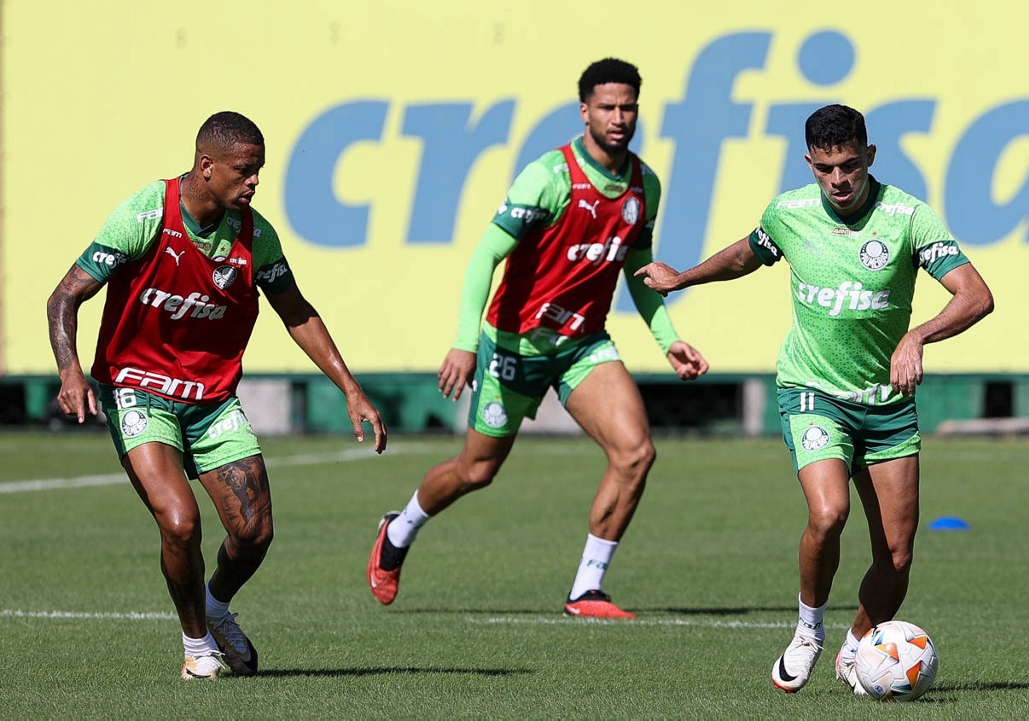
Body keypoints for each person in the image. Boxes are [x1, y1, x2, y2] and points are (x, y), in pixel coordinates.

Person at [634, 104, 993, 693]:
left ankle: (856, 651)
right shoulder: (790, 213)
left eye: (850, 165)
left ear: (869, 156)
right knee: (828, 515)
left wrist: (916, 336)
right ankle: (808, 632)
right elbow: (747, 254)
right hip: (813, 392)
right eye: (826, 169)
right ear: (809, 163)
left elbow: (975, 295)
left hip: (886, 406)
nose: (839, 180)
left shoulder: (907, 217)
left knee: (897, 557)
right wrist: (684, 278)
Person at [46, 111, 387, 680]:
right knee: (180, 522)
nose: (254, 182)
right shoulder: (146, 215)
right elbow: (64, 297)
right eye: (244, 171)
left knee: (254, 534)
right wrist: (70, 371)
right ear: (206, 166)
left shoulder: (256, 235)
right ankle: (197, 646)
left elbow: (295, 311)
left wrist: (350, 388)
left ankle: (214, 606)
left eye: (258, 171)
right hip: (137, 390)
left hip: (211, 400)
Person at [366, 58, 707, 618]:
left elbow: (636, 266)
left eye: (628, 107)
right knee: (477, 470)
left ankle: (586, 589)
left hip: (582, 345)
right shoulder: (549, 177)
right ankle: (398, 530)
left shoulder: (645, 184)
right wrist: (465, 341)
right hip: (513, 345)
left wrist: (667, 338)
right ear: (584, 111)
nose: (619, 117)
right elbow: (485, 256)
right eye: (607, 107)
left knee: (635, 454)